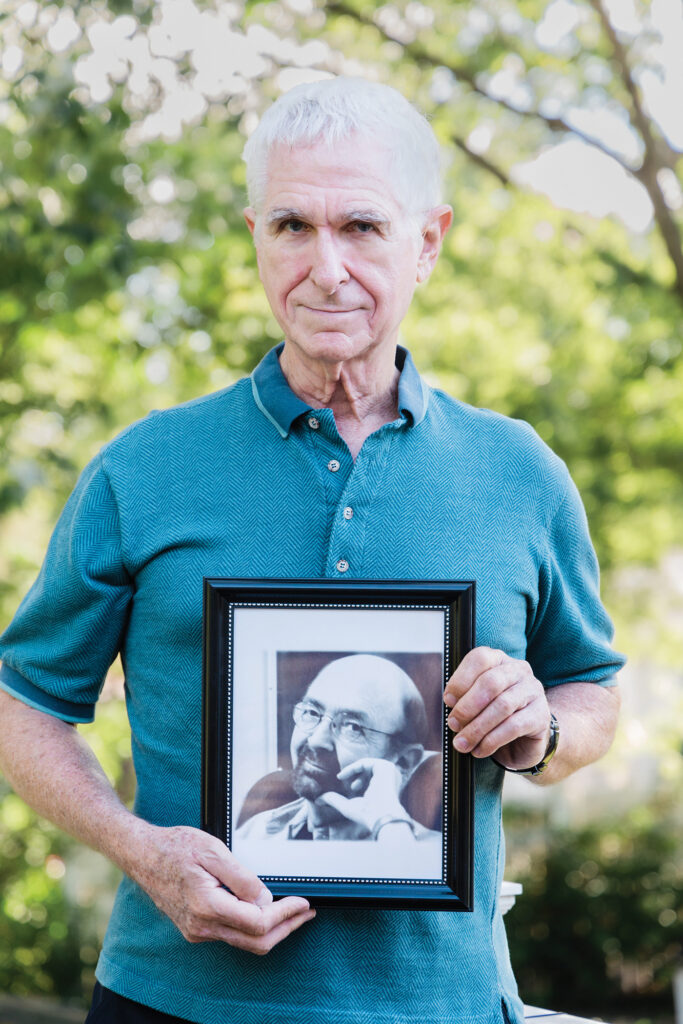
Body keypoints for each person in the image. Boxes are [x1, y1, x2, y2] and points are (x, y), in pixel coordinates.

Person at [0, 76, 624, 1024]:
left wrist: (540, 728)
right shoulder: (144, 467)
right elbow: (24, 701)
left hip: (442, 1005)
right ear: (255, 234)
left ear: (428, 242)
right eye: (291, 225)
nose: (324, 266)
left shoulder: (518, 472)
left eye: (362, 228)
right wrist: (139, 848)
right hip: (175, 1002)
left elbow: (592, 690)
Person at [236, 653, 438, 842]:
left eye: (353, 727)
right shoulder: (256, 833)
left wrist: (388, 825)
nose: (316, 740)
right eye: (312, 712)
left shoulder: (425, 853)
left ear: (403, 761)